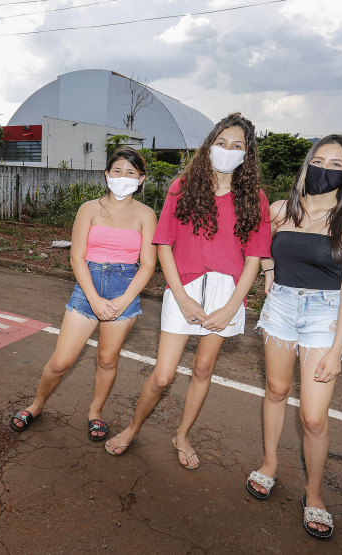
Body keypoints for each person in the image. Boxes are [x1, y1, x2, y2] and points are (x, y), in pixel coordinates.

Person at [104, 113, 270, 468]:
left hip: (228, 294)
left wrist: (230, 309)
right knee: (163, 374)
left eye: (237, 146)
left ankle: (182, 435)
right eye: (221, 142)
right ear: (209, 145)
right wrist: (180, 295)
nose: (228, 150)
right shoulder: (182, 187)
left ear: (247, 154)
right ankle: (133, 428)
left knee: (203, 368)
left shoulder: (254, 198)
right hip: (183, 287)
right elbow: (163, 244)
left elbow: (254, 258)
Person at [246, 134, 342, 540]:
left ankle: (314, 494)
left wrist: (337, 348)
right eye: (320, 160)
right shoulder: (282, 210)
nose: (326, 170)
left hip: (325, 313)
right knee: (277, 391)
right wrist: (268, 271)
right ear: (307, 163)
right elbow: (258, 246)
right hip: (280, 306)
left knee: (314, 417)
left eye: (337, 165)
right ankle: (269, 465)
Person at [9, 147, 158, 441]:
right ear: (106, 175)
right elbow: (77, 257)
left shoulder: (147, 215)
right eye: (117, 171)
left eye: (131, 172)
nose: (122, 177)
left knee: (107, 359)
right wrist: (94, 299)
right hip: (88, 287)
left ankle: (95, 412)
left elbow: (148, 264)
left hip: (124, 290)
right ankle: (36, 405)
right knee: (61, 361)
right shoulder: (88, 209)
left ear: (141, 179)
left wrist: (122, 301)